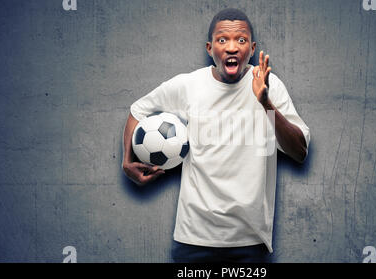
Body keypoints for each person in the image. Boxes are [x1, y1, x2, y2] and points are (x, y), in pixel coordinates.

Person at [122, 8, 310, 263]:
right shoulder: (188, 85)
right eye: (223, 40)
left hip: (249, 241)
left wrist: (266, 104)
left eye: (241, 40)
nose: (232, 47)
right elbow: (137, 110)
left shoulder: (269, 85)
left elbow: (299, 152)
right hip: (192, 238)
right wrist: (127, 160)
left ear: (252, 49)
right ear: (210, 48)